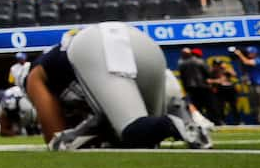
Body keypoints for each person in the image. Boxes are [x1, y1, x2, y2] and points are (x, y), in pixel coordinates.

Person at [28, 22, 218, 150]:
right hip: (141, 41)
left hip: (94, 47)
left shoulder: (35, 76)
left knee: (132, 131)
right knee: (144, 140)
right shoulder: (61, 62)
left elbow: (55, 139)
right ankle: (184, 120)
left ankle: (176, 125)